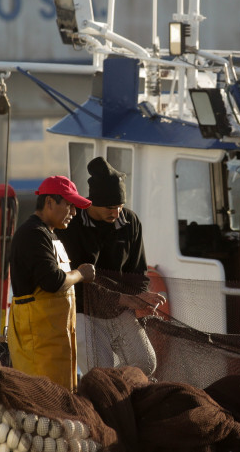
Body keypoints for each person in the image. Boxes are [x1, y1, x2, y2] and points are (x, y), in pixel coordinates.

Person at [58, 157, 166, 376]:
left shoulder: (130, 221)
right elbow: (74, 282)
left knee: (145, 363)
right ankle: (106, 394)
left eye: (120, 206)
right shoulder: (72, 225)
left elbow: (137, 273)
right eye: (110, 207)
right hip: (83, 312)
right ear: (91, 203)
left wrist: (141, 297)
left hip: (120, 309)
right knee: (100, 372)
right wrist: (126, 299)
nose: (117, 213)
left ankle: (119, 393)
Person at [8, 176, 96, 391]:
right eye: (69, 205)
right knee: (43, 397)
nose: (74, 213)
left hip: (54, 341)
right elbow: (53, 281)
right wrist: (81, 274)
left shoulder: (49, 235)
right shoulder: (33, 234)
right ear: (49, 202)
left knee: (61, 394)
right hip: (39, 342)